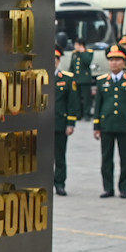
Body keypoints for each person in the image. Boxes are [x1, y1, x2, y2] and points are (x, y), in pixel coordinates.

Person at [93, 46, 126, 199]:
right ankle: (108, 188)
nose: (114, 63)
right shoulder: (102, 81)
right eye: (111, 60)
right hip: (107, 124)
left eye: (117, 60)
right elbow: (98, 106)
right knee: (106, 159)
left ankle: (124, 188)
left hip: (125, 125)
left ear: (124, 62)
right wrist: (96, 126)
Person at [54, 60, 79, 196]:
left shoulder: (67, 79)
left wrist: (70, 123)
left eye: (55, 58)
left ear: (58, 61)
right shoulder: (37, 76)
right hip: (41, 124)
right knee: (40, 157)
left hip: (59, 123)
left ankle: (59, 183)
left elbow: (72, 103)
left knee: (60, 156)